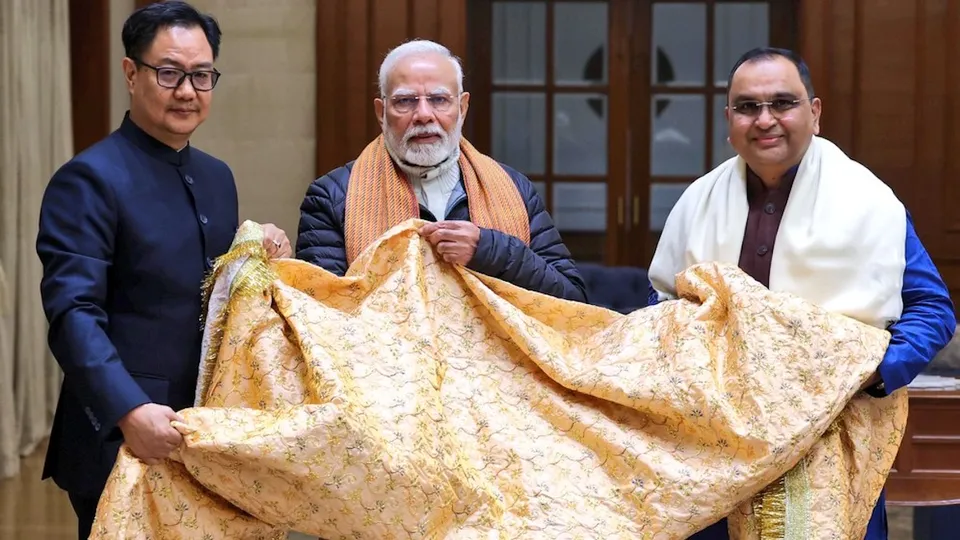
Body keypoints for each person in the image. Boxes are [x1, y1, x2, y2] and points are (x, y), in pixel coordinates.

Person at [646, 47, 955, 540]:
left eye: (782, 103)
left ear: (814, 112)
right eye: (748, 107)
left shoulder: (869, 203)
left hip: (828, 435)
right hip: (715, 441)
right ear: (729, 119)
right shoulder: (696, 202)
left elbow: (931, 309)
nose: (765, 120)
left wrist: (872, 373)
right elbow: (660, 304)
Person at [36, 2, 291, 538]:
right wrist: (128, 409)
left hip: (204, 431)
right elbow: (72, 314)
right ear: (131, 73)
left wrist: (254, 252)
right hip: (123, 434)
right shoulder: (88, 179)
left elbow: (207, 295)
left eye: (202, 75)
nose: (187, 90)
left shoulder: (217, 177)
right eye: (169, 72)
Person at [296, 39, 586, 303]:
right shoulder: (333, 196)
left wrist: (488, 250)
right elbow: (320, 314)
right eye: (405, 101)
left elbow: (573, 301)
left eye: (439, 100)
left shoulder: (514, 187)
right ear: (381, 112)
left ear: (462, 107)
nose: (423, 114)